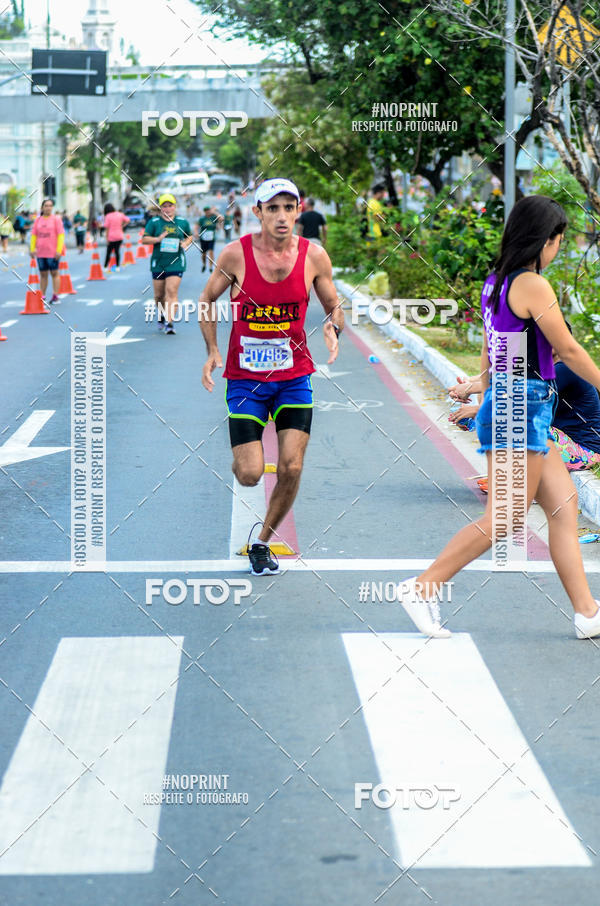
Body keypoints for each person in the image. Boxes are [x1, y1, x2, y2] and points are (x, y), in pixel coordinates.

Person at [399, 195, 600, 640]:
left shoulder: (496, 282)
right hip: (521, 404)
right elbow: (566, 348)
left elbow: (494, 352)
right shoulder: (531, 284)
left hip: (518, 402)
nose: (558, 250)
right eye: (558, 242)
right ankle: (422, 588)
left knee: (564, 508)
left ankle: (587, 612)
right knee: (508, 515)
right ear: (545, 240)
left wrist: (487, 397)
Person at [198, 177, 344, 576]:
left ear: (299, 210)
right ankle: (241, 460)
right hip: (246, 379)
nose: (281, 216)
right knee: (248, 474)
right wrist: (212, 350)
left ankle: (262, 542)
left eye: (288, 207)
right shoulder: (235, 255)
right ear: (258, 212)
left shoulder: (314, 256)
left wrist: (334, 326)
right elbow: (207, 300)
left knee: (292, 467)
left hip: (294, 377)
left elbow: (333, 304)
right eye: (272, 208)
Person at [143, 193, 193, 335]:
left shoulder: (182, 222)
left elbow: (189, 236)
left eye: (170, 206)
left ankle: (170, 323)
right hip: (158, 262)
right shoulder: (154, 223)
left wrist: (185, 243)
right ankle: (162, 315)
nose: (167, 208)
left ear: (175, 207)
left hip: (176, 262)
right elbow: (144, 239)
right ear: (160, 208)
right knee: (159, 295)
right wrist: (158, 239)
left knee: (171, 291)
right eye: (164, 206)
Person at [29, 198, 64, 304]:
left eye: (50, 206)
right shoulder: (38, 220)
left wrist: (59, 250)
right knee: (43, 274)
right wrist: (32, 249)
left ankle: (55, 296)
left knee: (54, 273)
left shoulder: (56, 219)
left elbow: (61, 235)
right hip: (41, 252)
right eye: (46, 205)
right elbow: (34, 235)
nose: (48, 208)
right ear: (42, 207)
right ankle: (42, 296)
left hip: (53, 252)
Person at [103, 203, 129, 270]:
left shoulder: (108, 216)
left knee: (108, 252)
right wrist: (122, 226)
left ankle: (105, 267)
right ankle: (117, 267)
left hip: (111, 237)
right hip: (119, 236)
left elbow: (107, 228)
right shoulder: (119, 214)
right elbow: (127, 220)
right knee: (117, 252)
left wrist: (106, 238)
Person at [196, 205, 219, 273]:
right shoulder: (202, 219)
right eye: (205, 211)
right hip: (203, 238)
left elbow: (221, 218)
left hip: (211, 238)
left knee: (211, 252)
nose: (207, 212)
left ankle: (210, 267)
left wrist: (214, 212)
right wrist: (196, 232)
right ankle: (204, 264)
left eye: (208, 210)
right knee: (204, 254)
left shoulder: (213, 217)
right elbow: (196, 226)